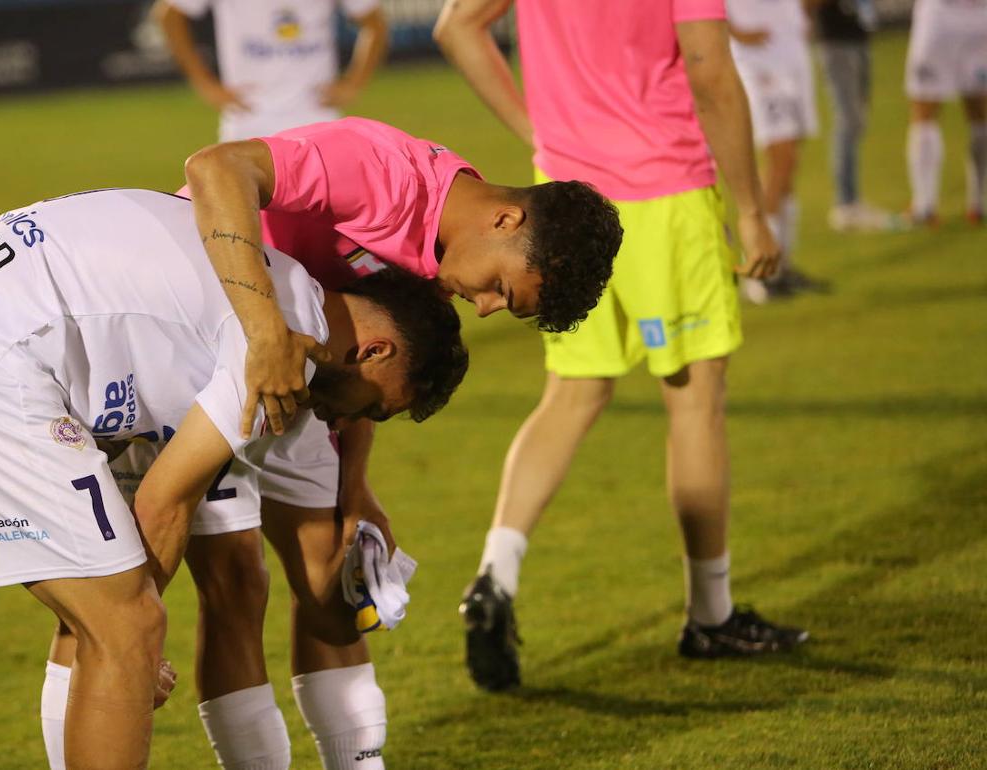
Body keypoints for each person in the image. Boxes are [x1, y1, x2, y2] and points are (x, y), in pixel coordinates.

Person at [0, 188, 468, 770]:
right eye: (376, 408)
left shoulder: (285, 306)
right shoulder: (277, 345)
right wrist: (130, 651)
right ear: (378, 351)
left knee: (106, 625)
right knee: (125, 628)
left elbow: (318, 593)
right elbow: (164, 500)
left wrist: (361, 568)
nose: (352, 421)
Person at [178, 116, 622, 768]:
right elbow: (215, 167)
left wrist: (354, 489)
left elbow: (366, 359)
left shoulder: (443, 250)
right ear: (505, 221)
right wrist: (264, 327)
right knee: (225, 582)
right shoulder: (381, 171)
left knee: (331, 565)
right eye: (503, 289)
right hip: (192, 337)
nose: (487, 309)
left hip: (295, 370)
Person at [435, 0, 808, 692]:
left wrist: (539, 134)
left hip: (568, 196)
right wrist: (752, 209)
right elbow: (709, 70)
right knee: (695, 401)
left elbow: (455, 27)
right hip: (665, 188)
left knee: (572, 395)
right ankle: (711, 611)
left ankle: (496, 572)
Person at [157, 0, 388, 141]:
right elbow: (169, 15)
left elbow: (374, 23)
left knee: (324, 218)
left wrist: (353, 82)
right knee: (246, 218)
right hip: (249, 118)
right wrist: (203, 83)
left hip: (317, 116)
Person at [727, 0, 826, 302]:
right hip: (760, 61)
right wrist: (734, 31)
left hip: (791, 52)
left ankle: (782, 266)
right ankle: (760, 275)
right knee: (780, 161)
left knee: (789, 164)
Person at [816, 0, 904, 232]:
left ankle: (850, 200)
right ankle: (846, 204)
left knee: (857, 120)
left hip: (858, 37)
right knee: (848, 120)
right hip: (836, 41)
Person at [905, 0, 987, 226]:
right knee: (980, 112)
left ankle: (925, 206)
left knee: (925, 112)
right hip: (981, 17)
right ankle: (979, 203)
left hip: (940, 17)